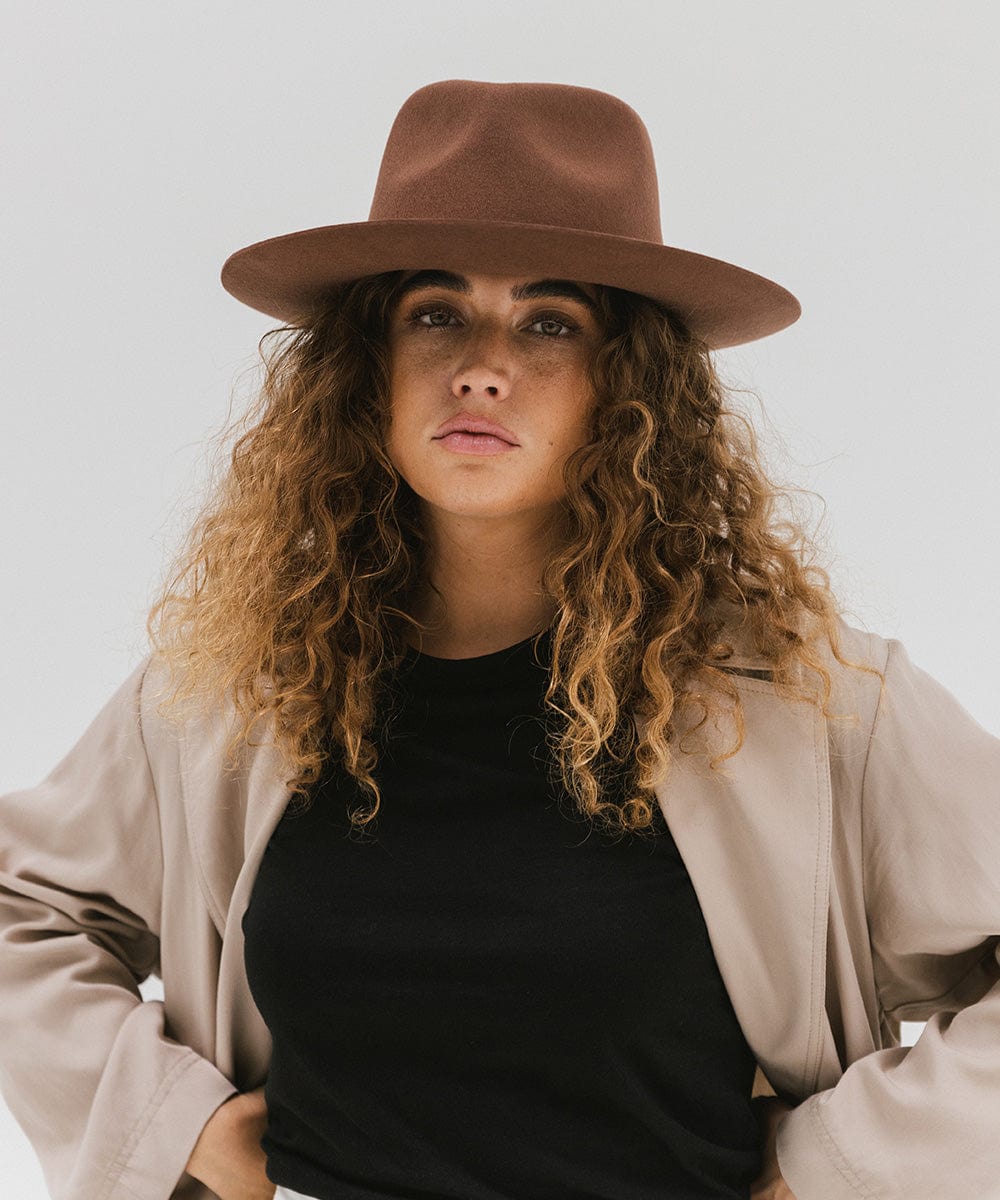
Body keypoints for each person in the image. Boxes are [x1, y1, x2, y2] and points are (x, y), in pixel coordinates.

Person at [0, 77, 998, 1200]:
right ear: (362, 365)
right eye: (436, 312)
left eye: (547, 321)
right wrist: (173, 1123)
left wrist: (840, 1168)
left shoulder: (809, 701)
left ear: (632, 385)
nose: (481, 364)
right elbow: (21, 906)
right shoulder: (234, 691)